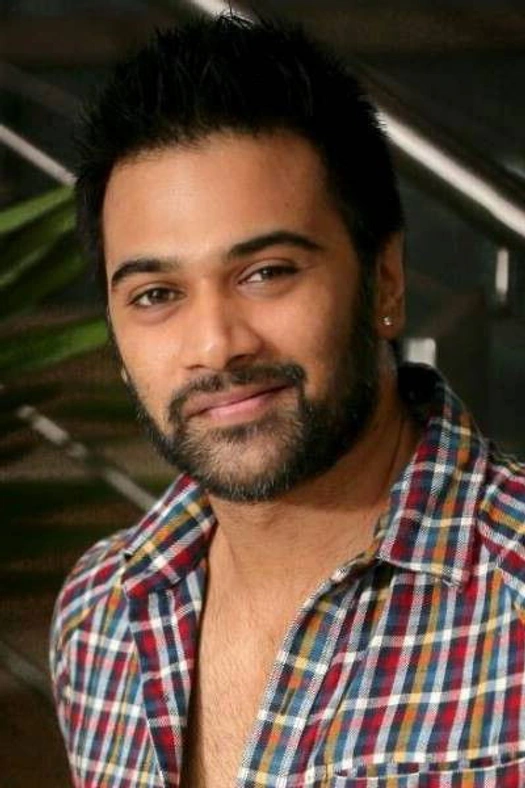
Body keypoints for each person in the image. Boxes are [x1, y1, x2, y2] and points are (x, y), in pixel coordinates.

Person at [50, 14, 525, 788]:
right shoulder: (102, 611)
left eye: (266, 272)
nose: (216, 344)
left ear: (386, 281)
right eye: (156, 294)